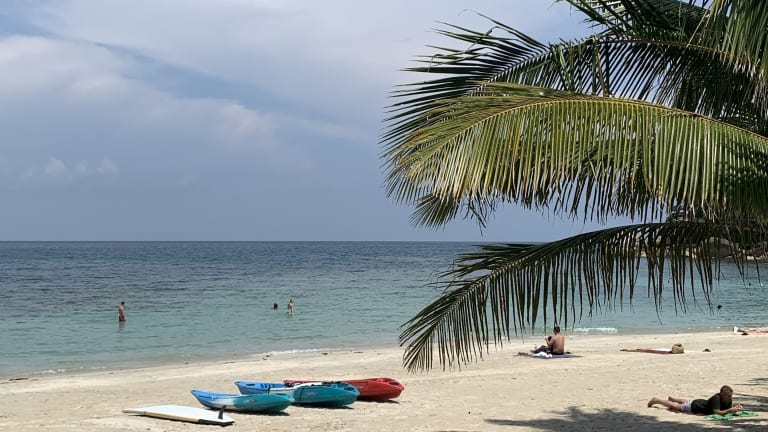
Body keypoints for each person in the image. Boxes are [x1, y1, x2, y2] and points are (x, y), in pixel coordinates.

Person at [647, 385, 743, 415]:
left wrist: (735, 408)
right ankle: (657, 400)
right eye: (728, 396)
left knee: (687, 401)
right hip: (694, 407)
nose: (730, 397)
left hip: (700, 402)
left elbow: (727, 409)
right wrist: (730, 410)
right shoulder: (716, 399)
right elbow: (718, 412)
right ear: (722, 395)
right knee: (675, 406)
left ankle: (673, 398)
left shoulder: (728, 399)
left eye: (730, 396)